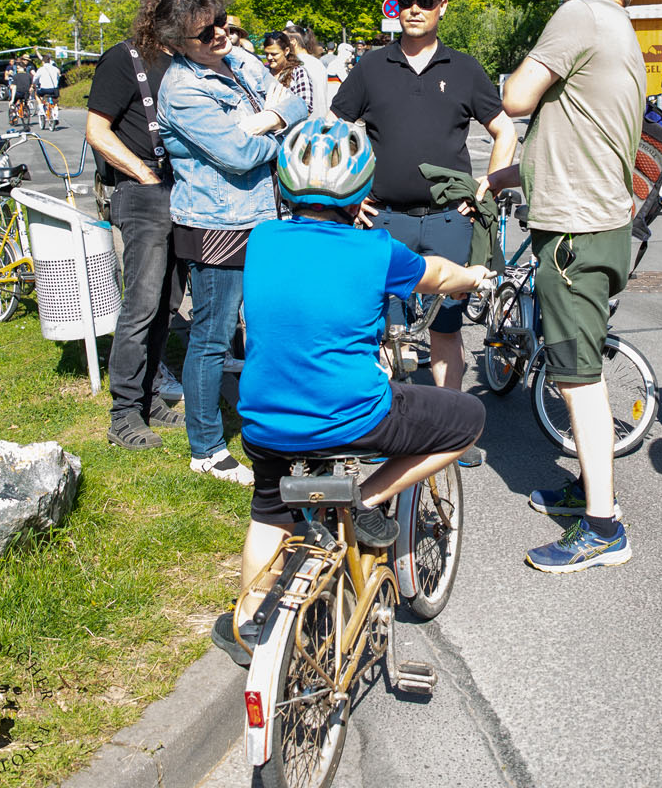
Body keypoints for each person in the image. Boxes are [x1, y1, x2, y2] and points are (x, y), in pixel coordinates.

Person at [210, 119, 490, 663]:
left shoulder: (262, 240)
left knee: (268, 512)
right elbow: (434, 272)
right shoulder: (377, 252)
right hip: (355, 419)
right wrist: (473, 276)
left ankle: (247, 623)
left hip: (265, 423)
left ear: (286, 186)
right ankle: (368, 497)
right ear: (363, 190)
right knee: (466, 418)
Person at [488, 0, 645, 572]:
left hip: (574, 235)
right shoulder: (624, 34)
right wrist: (512, 178)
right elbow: (583, 139)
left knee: (578, 378)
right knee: (583, 367)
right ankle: (587, 487)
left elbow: (517, 99)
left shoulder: (580, 14)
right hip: (603, 226)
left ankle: (603, 527)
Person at [332, 0, 516, 468]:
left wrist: (484, 190)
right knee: (384, 329)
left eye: (426, 0)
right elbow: (334, 128)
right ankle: (386, 431)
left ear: (442, 7)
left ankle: (450, 433)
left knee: (447, 328)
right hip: (382, 220)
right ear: (396, 4)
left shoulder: (465, 68)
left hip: (446, 221)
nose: (415, 7)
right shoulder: (371, 67)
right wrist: (347, 195)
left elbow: (505, 131)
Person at [157, 0, 308, 484]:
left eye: (221, 20)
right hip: (217, 223)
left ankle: (270, 424)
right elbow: (238, 156)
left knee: (266, 325)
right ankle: (206, 447)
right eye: (206, 30)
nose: (221, 32)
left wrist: (263, 122)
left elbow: (298, 107)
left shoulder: (241, 61)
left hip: (267, 214)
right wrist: (279, 130)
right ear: (178, 42)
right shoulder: (182, 89)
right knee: (212, 335)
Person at [88, 0, 194, 450]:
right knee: (142, 304)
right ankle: (123, 415)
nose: (178, 9)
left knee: (168, 306)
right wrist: (143, 173)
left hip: (186, 193)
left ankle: (150, 398)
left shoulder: (187, 61)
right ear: (151, 5)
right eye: (169, 1)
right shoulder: (123, 58)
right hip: (143, 191)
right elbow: (97, 129)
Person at [259, 30, 318, 117]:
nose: (269, 57)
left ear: (286, 51)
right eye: (266, 54)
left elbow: (306, 107)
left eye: (274, 54)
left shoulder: (298, 72)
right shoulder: (263, 72)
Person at [283, 22, 330, 114]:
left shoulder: (296, 63)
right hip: (320, 118)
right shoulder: (317, 62)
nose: (281, 44)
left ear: (293, 41)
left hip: (305, 121)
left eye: (283, 40)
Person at [34, 56, 62, 129]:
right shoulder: (55, 69)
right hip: (54, 89)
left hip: (44, 89)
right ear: (50, 61)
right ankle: (55, 115)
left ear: (43, 61)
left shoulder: (41, 69)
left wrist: (35, 84)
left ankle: (41, 109)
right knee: (55, 101)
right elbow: (58, 78)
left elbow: (35, 79)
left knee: (37, 94)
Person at [8, 56, 34, 129]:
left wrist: (12, 99)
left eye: (18, 68)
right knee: (25, 101)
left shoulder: (16, 76)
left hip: (18, 93)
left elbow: (14, 87)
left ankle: (13, 114)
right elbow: (31, 85)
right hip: (26, 94)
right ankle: (26, 109)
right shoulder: (29, 76)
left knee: (12, 103)